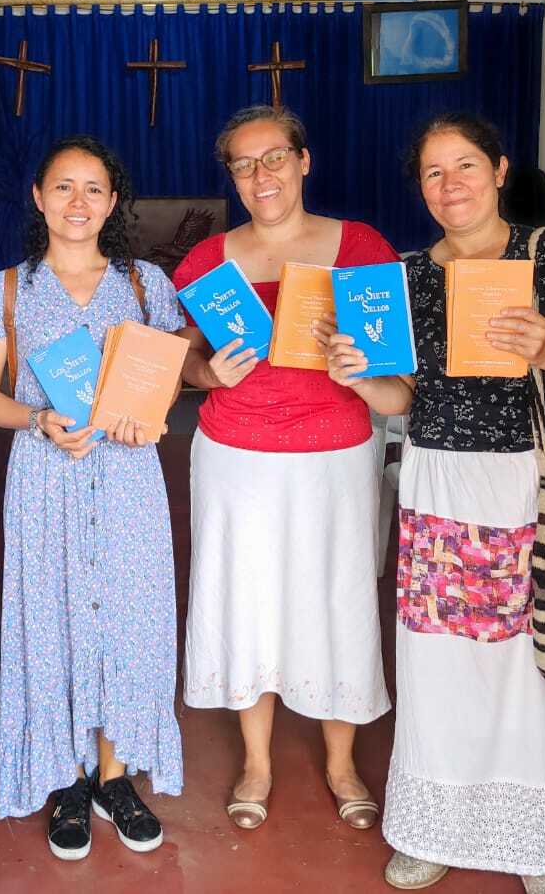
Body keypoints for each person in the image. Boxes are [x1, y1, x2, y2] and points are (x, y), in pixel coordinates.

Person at [325, 111, 545, 893]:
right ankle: (436, 823)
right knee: (444, 659)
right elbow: (401, 396)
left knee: (536, 657)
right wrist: (356, 372)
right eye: (432, 172)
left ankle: (537, 835)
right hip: (443, 481)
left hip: (539, 479)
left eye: (464, 166)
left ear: (499, 169)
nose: (449, 185)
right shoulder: (407, 276)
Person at [0, 135, 186, 861]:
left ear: (113, 201)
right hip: (45, 479)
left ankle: (116, 777)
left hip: (127, 477)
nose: (78, 202)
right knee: (50, 619)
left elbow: (171, 373)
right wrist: (36, 418)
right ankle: (66, 779)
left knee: (130, 616)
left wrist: (142, 409)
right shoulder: (4, 288)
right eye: (64, 187)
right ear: (38, 196)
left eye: (94, 188)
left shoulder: (147, 281)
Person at [172, 104, 396, 834]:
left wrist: (358, 368)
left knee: (338, 598)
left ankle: (341, 763)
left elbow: (396, 374)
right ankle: (257, 761)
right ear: (231, 175)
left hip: (335, 451)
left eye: (274, 158)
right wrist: (212, 373)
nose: (260, 174)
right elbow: (184, 362)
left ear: (304, 160)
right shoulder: (208, 260)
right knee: (249, 598)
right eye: (243, 163)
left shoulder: (360, 247)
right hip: (236, 456)